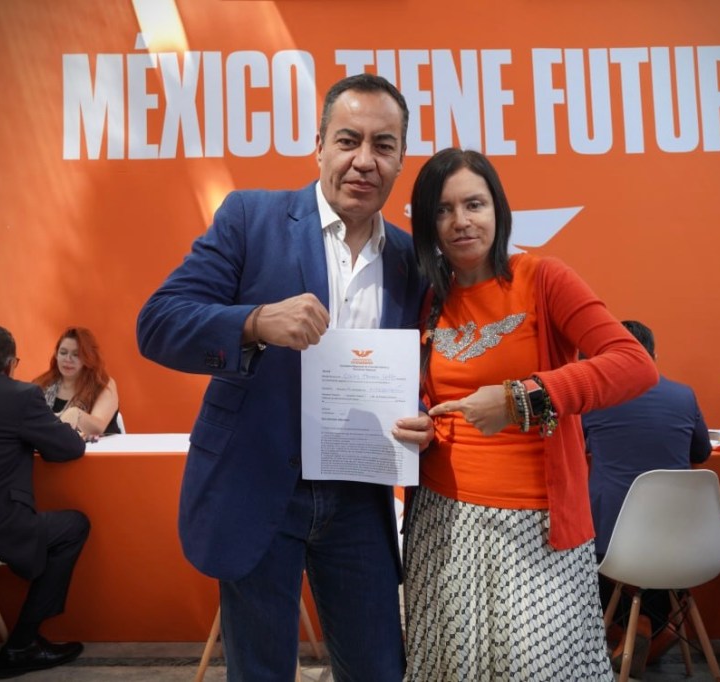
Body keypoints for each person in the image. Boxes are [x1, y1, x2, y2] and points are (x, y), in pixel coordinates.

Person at [136, 73, 433, 682]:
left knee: (379, 669)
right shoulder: (251, 218)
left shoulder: (413, 260)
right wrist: (253, 322)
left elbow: (426, 370)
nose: (364, 160)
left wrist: (424, 415)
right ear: (318, 146)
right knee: (262, 673)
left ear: (402, 158)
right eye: (348, 140)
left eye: (383, 145)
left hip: (358, 496)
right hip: (257, 485)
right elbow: (158, 323)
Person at [402, 148, 659, 681]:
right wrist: (421, 422)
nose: (461, 221)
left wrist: (521, 399)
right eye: (443, 210)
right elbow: (430, 393)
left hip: (535, 525)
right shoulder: (429, 298)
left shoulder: (542, 278)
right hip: (442, 520)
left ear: (498, 209)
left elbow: (635, 365)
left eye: (474, 204)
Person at [0, 323, 90, 679]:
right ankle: (22, 644)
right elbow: (69, 448)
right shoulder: (20, 396)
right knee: (74, 526)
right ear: (10, 364)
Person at [582, 320, 712, 677]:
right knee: (657, 565)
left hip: (610, 540)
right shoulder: (684, 395)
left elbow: (577, 445)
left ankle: (632, 632)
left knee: (586, 560)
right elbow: (701, 451)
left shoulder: (596, 397)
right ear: (653, 356)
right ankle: (648, 632)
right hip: (683, 540)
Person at [32, 327, 121, 436]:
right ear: (56, 355)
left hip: (99, 446)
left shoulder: (103, 384)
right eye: (63, 353)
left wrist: (78, 414)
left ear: (89, 357)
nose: (68, 359)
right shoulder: (41, 383)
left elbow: (98, 428)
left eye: (76, 355)